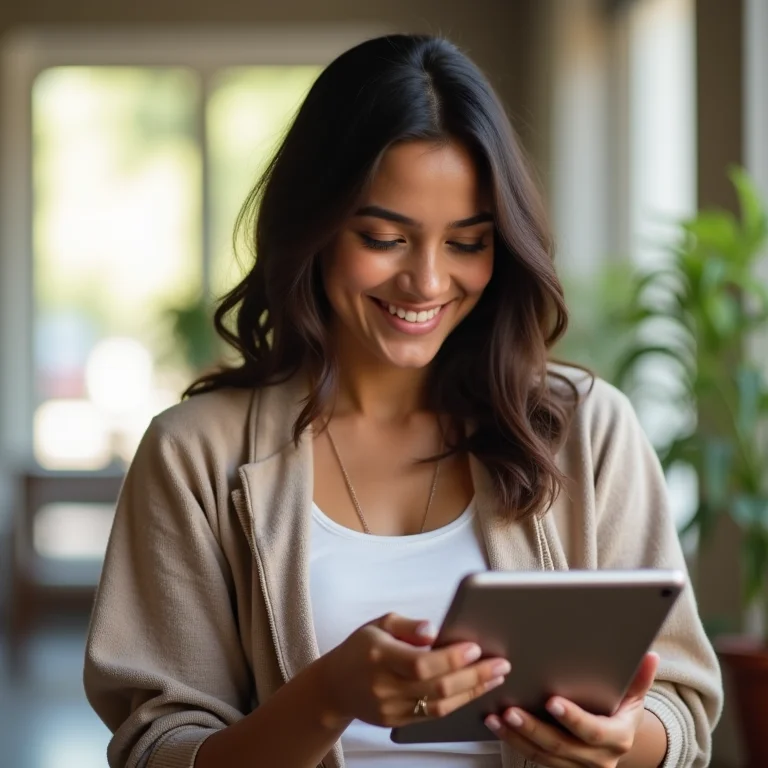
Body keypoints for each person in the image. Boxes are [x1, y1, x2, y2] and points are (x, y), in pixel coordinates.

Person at [83, 34, 722, 768]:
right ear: (314, 228)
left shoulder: (586, 429)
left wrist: (623, 742)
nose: (426, 282)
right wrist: (328, 695)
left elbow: (680, 707)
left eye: (467, 242)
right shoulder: (195, 454)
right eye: (384, 237)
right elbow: (158, 748)